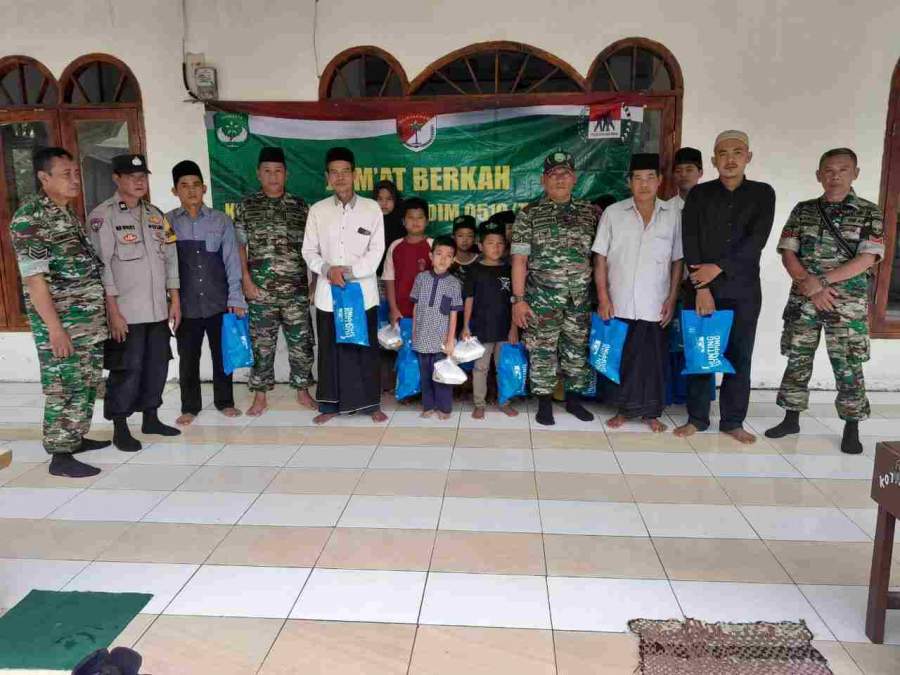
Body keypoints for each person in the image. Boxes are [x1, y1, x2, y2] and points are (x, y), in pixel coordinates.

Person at [766, 148, 884, 454]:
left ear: (855, 173)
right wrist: (810, 286)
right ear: (819, 175)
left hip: (846, 305)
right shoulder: (804, 210)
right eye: (829, 171)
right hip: (804, 300)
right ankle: (790, 418)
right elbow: (788, 252)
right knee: (797, 358)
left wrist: (822, 282)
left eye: (843, 170)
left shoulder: (869, 212)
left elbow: (867, 258)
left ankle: (851, 427)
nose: (835, 176)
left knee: (848, 365)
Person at [10, 148, 110, 477]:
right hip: (62, 324)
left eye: (76, 173)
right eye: (66, 174)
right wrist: (55, 329)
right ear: (44, 178)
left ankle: (75, 437)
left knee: (86, 383)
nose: (75, 179)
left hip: (85, 323)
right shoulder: (30, 219)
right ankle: (60, 455)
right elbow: (34, 280)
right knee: (64, 386)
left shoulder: (67, 214)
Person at [675, 131, 776, 443]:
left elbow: (756, 240)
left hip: (743, 291)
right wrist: (702, 288)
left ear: (748, 157)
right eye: (723, 153)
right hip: (703, 290)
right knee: (700, 355)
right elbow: (690, 239)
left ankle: (733, 421)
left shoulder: (762, 193)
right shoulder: (699, 194)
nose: (730, 159)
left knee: (739, 357)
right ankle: (697, 418)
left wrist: (717, 267)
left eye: (737, 152)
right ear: (714, 160)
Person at [88, 153, 181, 451]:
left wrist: (175, 300)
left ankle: (151, 418)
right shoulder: (104, 216)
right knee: (126, 370)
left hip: (157, 311)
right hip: (126, 313)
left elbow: (170, 259)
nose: (139, 182)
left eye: (143, 177)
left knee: (157, 366)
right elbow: (102, 267)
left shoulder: (156, 215)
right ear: (116, 178)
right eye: (131, 176)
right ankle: (120, 427)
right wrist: (112, 312)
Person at [593, 153, 683, 432]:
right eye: (638, 178)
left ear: (659, 181)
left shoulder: (672, 215)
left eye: (650, 178)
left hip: (655, 302)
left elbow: (677, 260)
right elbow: (600, 258)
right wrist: (603, 298)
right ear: (629, 182)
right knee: (621, 357)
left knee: (652, 360)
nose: (644, 184)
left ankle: (651, 413)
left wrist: (672, 298)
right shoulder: (613, 213)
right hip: (619, 301)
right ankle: (622, 410)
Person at [511, 150, 597, 426]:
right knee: (542, 351)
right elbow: (519, 260)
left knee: (577, 350)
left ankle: (574, 401)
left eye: (565, 173)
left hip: (579, 299)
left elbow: (600, 259)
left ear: (575, 178)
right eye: (553, 174)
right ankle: (544, 404)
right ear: (543, 180)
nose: (560, 179)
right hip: (541, 299)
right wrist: (518, 300)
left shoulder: (590, 213)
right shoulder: (529, 214)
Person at [302, 147, 387, 424]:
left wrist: (348, 273)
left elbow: (376, 251)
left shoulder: (371, 208)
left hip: (361, 293)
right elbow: (308, 251)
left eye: (345, 171)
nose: (340, 177)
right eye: (334, 172)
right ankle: (329, 406)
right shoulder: (318, 210)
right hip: (329, 294)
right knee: (330, 350)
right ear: (327, 177)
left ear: (355, 174)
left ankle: (371, 404)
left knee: (364, 350)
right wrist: (328, 270)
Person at [234, 147, 315, 416]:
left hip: (295, 291)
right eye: (267, 171)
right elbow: (239, 247)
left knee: (301, 345)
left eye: (278, 171)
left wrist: (314, 283)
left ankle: (303, 391)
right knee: (262, 346)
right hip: (260, 292)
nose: (273, 176)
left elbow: (314, 247)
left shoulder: (301, 207)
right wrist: (246, 281)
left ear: (286, 174)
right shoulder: (246, 206)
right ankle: (260, 396)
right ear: (258, 174)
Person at [167, 160, 246, 425]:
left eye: (196, 185)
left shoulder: (221, 220)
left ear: (204, 188)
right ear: (175, 191)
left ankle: (225, 402)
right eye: (184, 186)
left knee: (222, 354)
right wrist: (170, 301)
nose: (191, 190)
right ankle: (190, 407)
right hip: (185, 304)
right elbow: (164, 264)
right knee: (188, 358)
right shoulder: (167, 222)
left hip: (218, 301)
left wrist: (235, 297)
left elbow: (232, 261)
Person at [462, 219, 518, 419]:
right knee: (480, 368)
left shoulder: (510, 270)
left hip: (505, 329)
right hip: (481, 329)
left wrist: (514, 328)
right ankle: (479, 403)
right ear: (480, 246)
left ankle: (505, 402)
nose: (496, 247)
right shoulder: (474, 270)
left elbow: (515, 301)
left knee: (504, 368)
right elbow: (469, 299)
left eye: (500, 243)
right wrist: (465, 326)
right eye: (490, 243)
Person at [667, 147, 705, 406]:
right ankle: (673, 395)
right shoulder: (666, 209)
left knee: (700, 340)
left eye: (689, 170)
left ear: (700, 172)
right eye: (678, 171)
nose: (684, 175)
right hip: (673, 285)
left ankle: (698, 400)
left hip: (703, 285)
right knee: (672, 342)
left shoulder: (711, 206)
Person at [411, 236, 464, 419]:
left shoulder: (454, 283)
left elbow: (454, 313)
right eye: (439, 253)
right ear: (430, 256)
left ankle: (444, 408)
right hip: (422, 336)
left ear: (453, 260)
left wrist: (450, 340)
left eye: (449, 255)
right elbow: (416, 306)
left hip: (441, 339)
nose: (443, 259)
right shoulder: (421, 278)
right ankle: (428, 406)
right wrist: (414, 331)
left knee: (442, 375)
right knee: (425, 375)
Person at [382, 197, 433, 327]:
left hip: (428, 312)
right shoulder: (395, 246)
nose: (415, 221)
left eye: (420, 217)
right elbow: (389, 279)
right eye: (411, 217)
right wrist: (393, 308)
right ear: (403, 221)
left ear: (427, 221)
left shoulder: (433, 246)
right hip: (400, 312)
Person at [374, 179, 405, 276]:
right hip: (374, 274)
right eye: (380, 199)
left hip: (397, 273)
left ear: (395, 200)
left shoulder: (402, 223)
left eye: (389, 199)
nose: (384, 203)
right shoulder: (369, 220)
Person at [450, 215, 479, 287]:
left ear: (475, 238)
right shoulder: (448, 260)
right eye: (460, 235)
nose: (465, 240)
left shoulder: (480, 260)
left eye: (469, 236)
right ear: (453, 237)